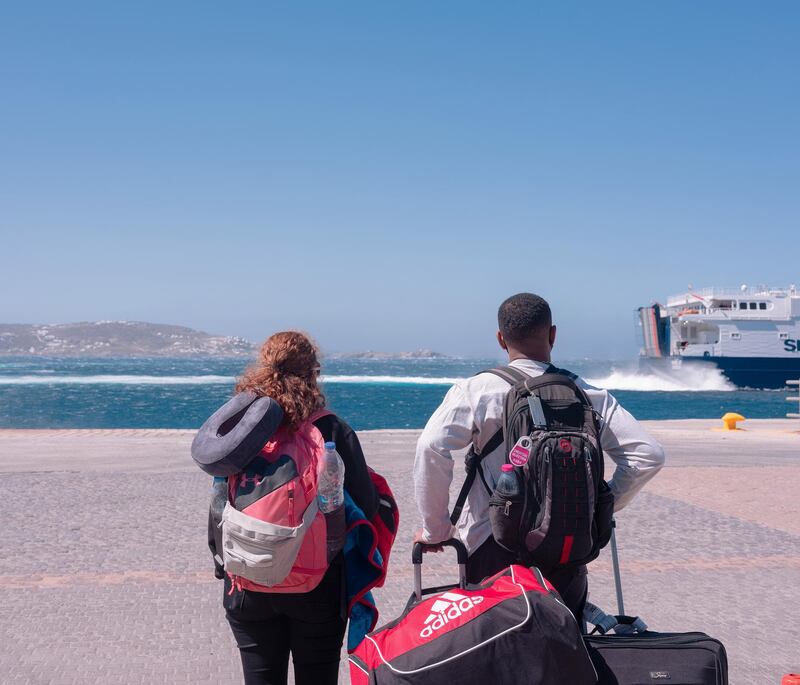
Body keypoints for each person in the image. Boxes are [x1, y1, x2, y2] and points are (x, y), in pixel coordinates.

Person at [413, 292, 665, 620]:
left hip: (492, 545)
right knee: (565, 655)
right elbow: (649, 455)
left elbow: (431, 447)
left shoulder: (478, 390)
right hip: (566, 547)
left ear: (501, 339)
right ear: (553, 334)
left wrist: (436, 528)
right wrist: (594, 506)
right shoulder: (585, 393)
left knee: (494, 655)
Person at [222, 331, 378, 685]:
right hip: (317, 583)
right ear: (313, 373)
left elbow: (220, 503)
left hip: (248, 580)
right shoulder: (331, 429)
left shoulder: (242, 432)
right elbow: (365, 508)